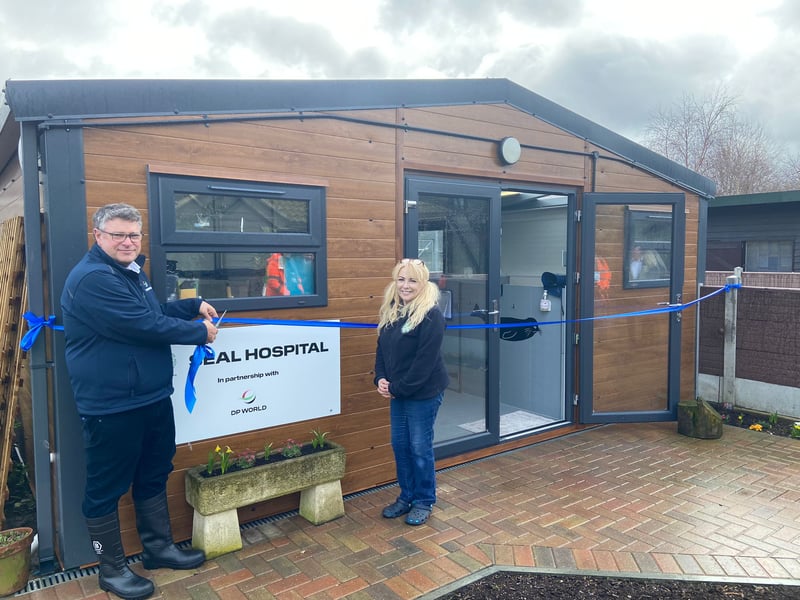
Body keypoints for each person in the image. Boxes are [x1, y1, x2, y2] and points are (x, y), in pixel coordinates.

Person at [60, 203, 219, 600]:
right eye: (117, 235)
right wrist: (199, 332)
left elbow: (152, 312)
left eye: (133, 235)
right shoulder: (93, 278)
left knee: (153, 471)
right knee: (104, 487)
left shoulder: (129, 272)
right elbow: (141, 325)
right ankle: (111, 569)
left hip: (150, 396)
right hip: (112, 406)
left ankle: (158, 548)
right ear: (98, 236)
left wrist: (191, 305)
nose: (127, 242)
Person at [374, 258, 449, 526]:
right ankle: (406, 497)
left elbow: (423, 363)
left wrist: (396, 388)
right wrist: (380, 378)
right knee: (400, 446)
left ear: (423, 283)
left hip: (423, 393)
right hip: (399, 391)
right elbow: (382, 349)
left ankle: (424, 500)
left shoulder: (430, 315)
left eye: (412, 280)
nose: (405, 285)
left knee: (419, 447)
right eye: (401, 279)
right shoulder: (393, 310)